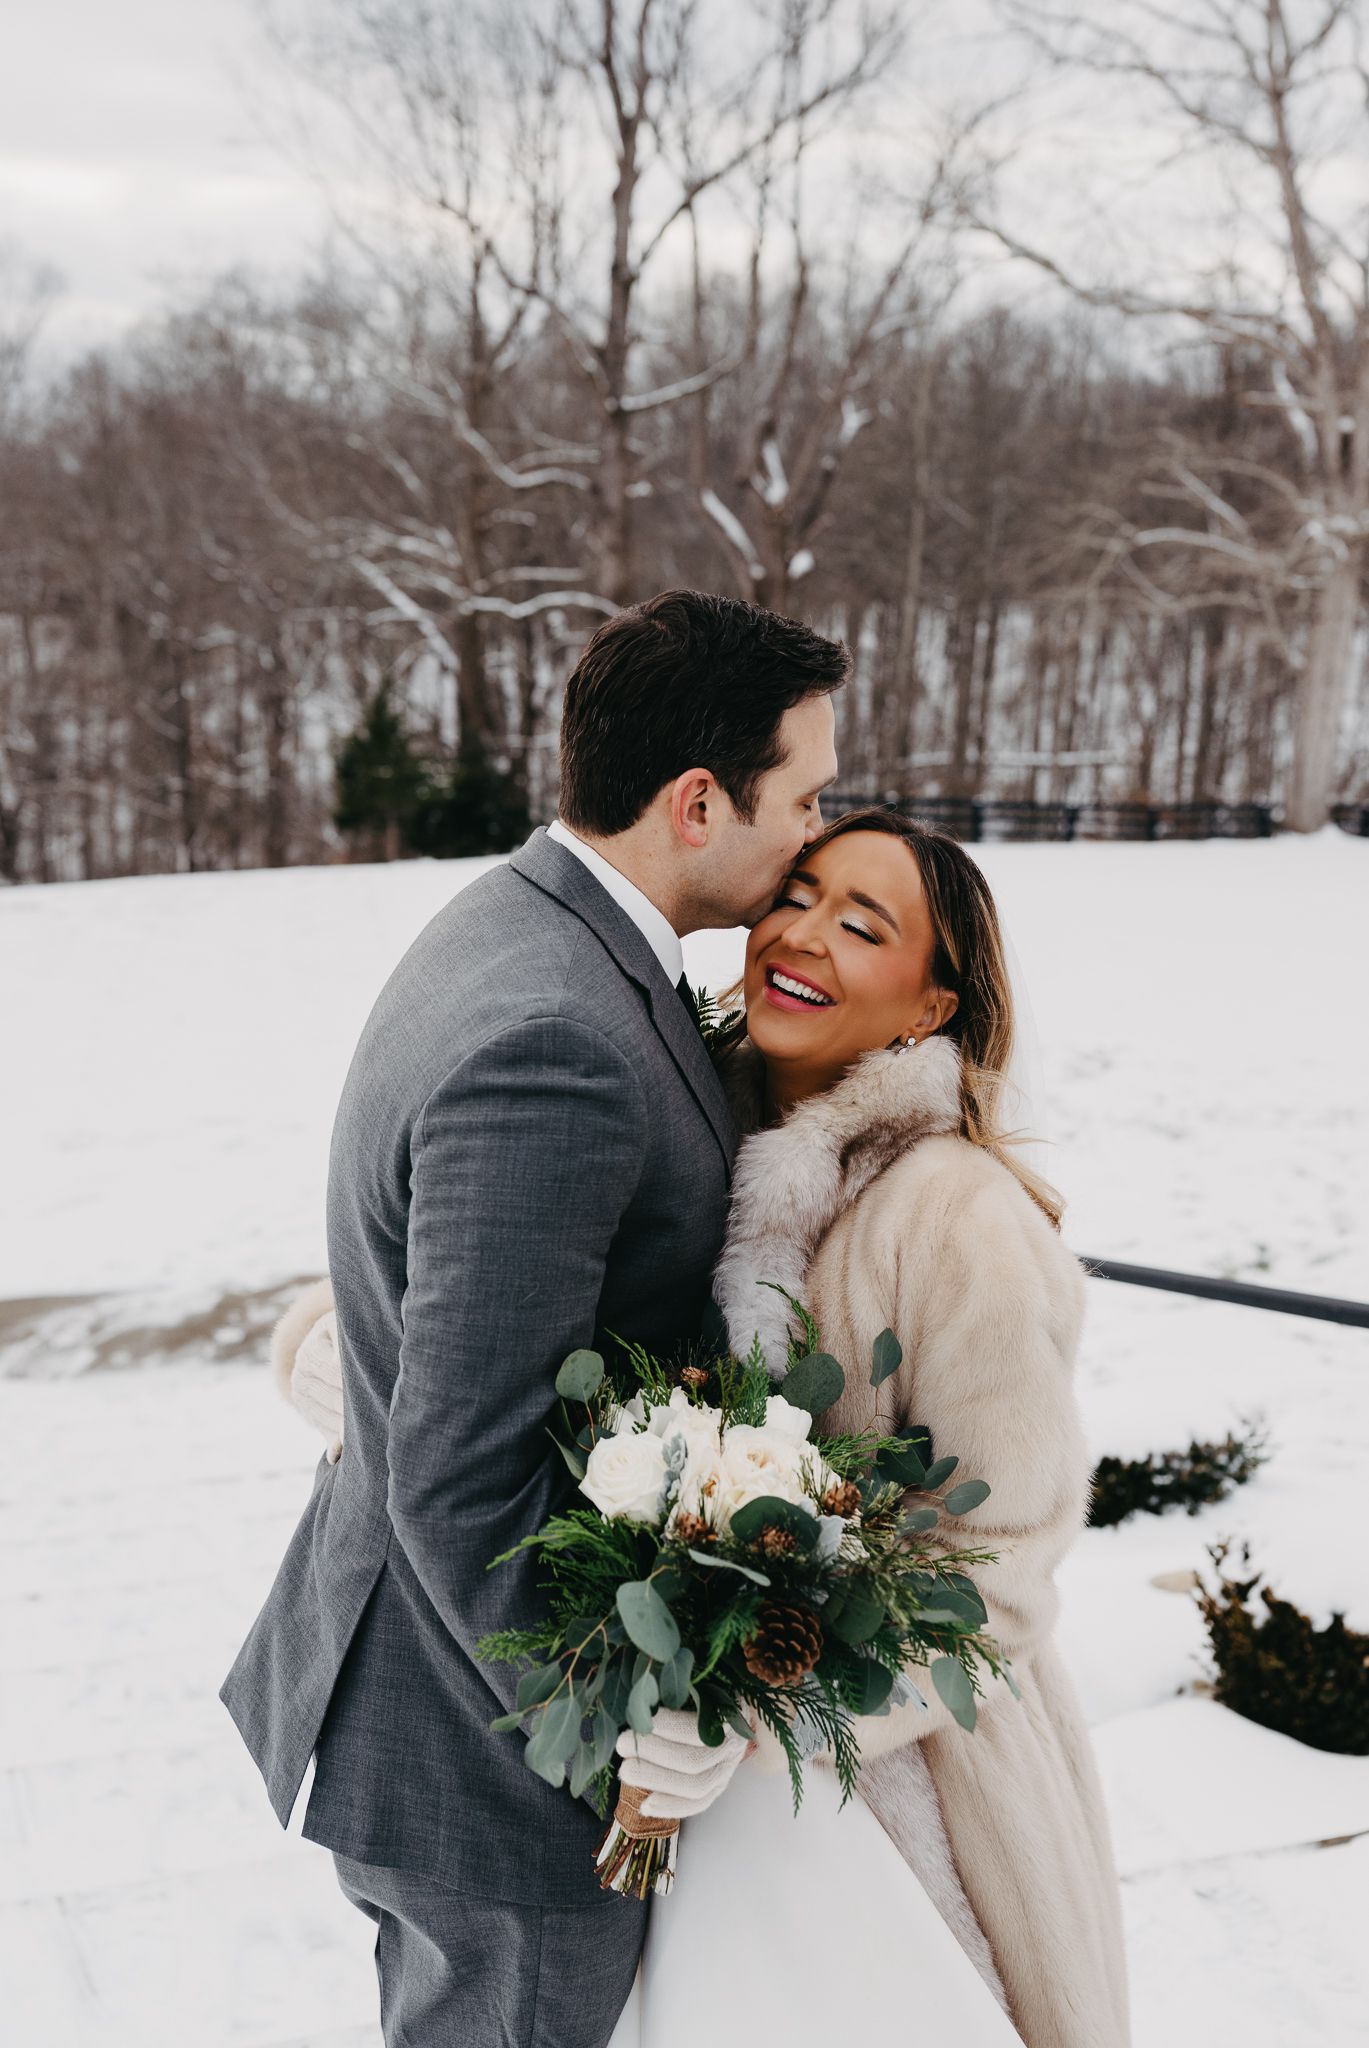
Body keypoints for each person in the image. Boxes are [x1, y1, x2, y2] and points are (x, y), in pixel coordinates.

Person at [275, 806, 1133, 2047]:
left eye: (864, 921)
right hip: (664, 1772)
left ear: (929, 1007)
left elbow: (999, 1580)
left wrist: (761, 1718)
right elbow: (474, 1265)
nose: (803, 931)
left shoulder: (958, 1221)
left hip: (888, 1789)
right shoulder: (678, 1100)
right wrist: (342, 1355)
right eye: (801, 891)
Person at [219, 588, 846, 2048]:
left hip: (443, 1703)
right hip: (479, 1760)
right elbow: (459, 1458)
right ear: (699, 802)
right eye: (804, 799)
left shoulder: (536, 926)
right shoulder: (556, 1034)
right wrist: (616, 1728)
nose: (817, 831)